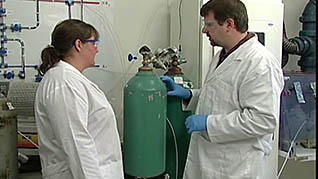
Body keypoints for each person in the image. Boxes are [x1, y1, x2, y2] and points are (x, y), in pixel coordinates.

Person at [160, 0, 284, 178]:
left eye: (209, 24)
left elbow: (262, 120)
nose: (204, 30)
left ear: (229, 24)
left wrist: (209, 123)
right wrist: (189, 95)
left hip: (235, 166)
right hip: (211, 158)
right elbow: (221, 97)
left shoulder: (260, 63)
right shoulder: (223, 54)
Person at [34, 19, 124, 179]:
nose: (97, 50)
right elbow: (77, 144)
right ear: (78, 44)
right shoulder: (63, 83)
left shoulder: (70, 79)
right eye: (94, 43)